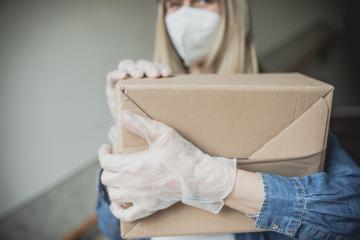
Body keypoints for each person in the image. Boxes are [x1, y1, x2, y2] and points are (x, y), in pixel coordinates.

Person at [96, 0, 360, 239]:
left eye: (205, 1)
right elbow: (112, 229)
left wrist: (210, 179)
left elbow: (351, 214)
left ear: (233, 12)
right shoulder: (143, 97)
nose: (187, 13)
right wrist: (124, 134)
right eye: (175, 4)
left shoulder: (289, 102)